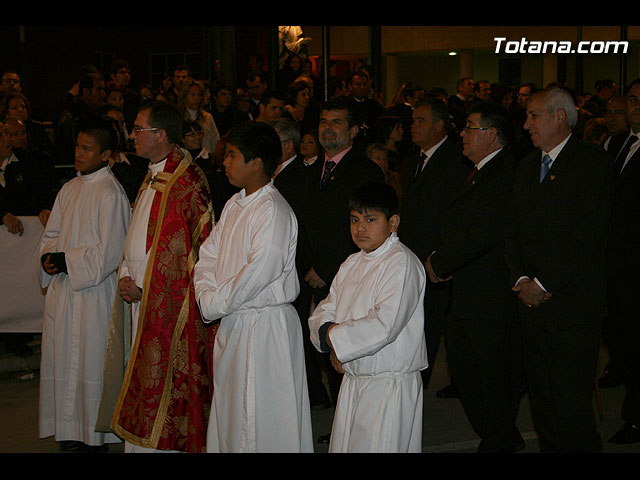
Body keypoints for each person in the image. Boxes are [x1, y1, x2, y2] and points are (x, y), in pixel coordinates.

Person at [99, 100, 214, 453]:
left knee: (163, 386)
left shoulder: (187, 181)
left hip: (165, 304)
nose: (131, 135)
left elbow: (187, 253)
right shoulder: (152, 173)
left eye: (138, 129)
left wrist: (145, 285)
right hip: (139, 297)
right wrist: (124, 273)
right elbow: (139, 231)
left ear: (160, 135)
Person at [194, 121, 314, 453]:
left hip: (265, 327)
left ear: (257, 162)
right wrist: (207, 295)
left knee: (265, 416)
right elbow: (208, 255)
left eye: (232, 155)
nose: (225, 163)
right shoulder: (234, 204)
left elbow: (259, 271)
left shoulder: (273, 209)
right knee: (234, 413)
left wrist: (215, 302)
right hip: (234, 320)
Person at [504, 86, 612, 453]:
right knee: (544, 405)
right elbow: (512, 231)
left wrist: (544, 282)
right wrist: (520, 279)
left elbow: (588, 236)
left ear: (559, 117)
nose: (526, 124)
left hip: (572, 306)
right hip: (531, 307)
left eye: (533, 116)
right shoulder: (525, 167)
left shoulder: (591, 163)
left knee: (570, 407)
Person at [426, 102, 524, 452]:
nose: (462, 134)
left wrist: (440, 262)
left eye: (469, 127)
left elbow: (484, 232)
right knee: (467, 370)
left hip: (490, 292)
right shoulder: (479, 170)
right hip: (468, 290)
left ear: (492, 135)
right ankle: (501, 434)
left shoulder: (504, 173)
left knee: (492, 373)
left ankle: (497, 439)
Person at [309, 182, 428, 452]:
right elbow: (326, 309)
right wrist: (329, 336)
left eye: (370, 219)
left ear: (394, 222)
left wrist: (337, 341)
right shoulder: (352, 263)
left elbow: (384, 325)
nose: (360, 228)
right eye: (354, 220)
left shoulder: (402, 263)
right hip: (354, 380)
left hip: (387, 384)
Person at [38, 119, 131, 452]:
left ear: (106, 154)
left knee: (90, 367)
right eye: (77, 146)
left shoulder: (111, 193)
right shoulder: (70, 188)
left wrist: (68, 261)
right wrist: (48, 258)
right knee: (64, 366)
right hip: (65, 294)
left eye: (87, 148)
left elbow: (110, 253)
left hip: (94, 296)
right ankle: (69, 437)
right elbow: (51, 235)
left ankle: (93, 440)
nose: (78, 153)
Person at [297, 97, 385, 423]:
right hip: (312, 275)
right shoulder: (309, 170)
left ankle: (353, 423)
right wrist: (308, 264)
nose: (327, 128)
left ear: (352, 130)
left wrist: (325, 267)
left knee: (347, 348)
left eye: (336, 122)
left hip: (347, 274)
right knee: (326, 345)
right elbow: (303, 223)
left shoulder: (365, 171)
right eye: (323, 121)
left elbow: (363, 227)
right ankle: (339, 423)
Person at [399, 97, 471, 391]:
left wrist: (444, 255)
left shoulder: (456, 160)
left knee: (434, 320)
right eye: (413, 121)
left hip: (437, 257)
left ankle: (422, 380)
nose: (413, 127)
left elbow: (455, 213)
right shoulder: (413, 159)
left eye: (421, 121)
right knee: (414, 317)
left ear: (440, 126)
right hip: (411, 253)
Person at [603, 78, 640, 445]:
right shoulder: (619, 144)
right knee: (621, 342)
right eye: (632, 99)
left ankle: (636, 417)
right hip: (615, 266)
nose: (635, 106)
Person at [54, 72, 106, 165]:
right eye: (99, 90)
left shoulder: (90, 113)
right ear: (86, 91)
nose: (103, 94)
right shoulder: (76, 116)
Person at [177, 79, 220, 154]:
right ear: (184, 96)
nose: (196, 98)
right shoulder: (177, 118)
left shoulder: (207, 117)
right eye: (192, 94)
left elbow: (216, 143)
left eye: (199, 95)